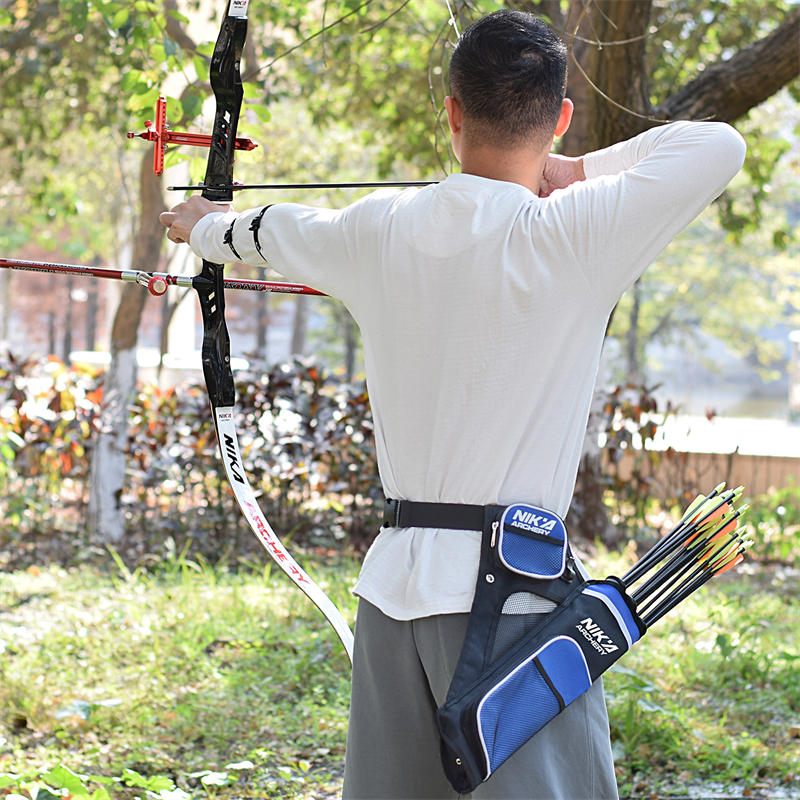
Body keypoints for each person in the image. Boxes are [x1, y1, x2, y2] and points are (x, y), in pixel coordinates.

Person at [160, 9, 745, 799]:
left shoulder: (381, 229)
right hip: (513, 604)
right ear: (559, 117)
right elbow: (718, 147)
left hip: (394, 599)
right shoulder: (572, 234)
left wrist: (204, 228)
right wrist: (574, 170)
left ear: (453, 112)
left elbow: (268, 230)